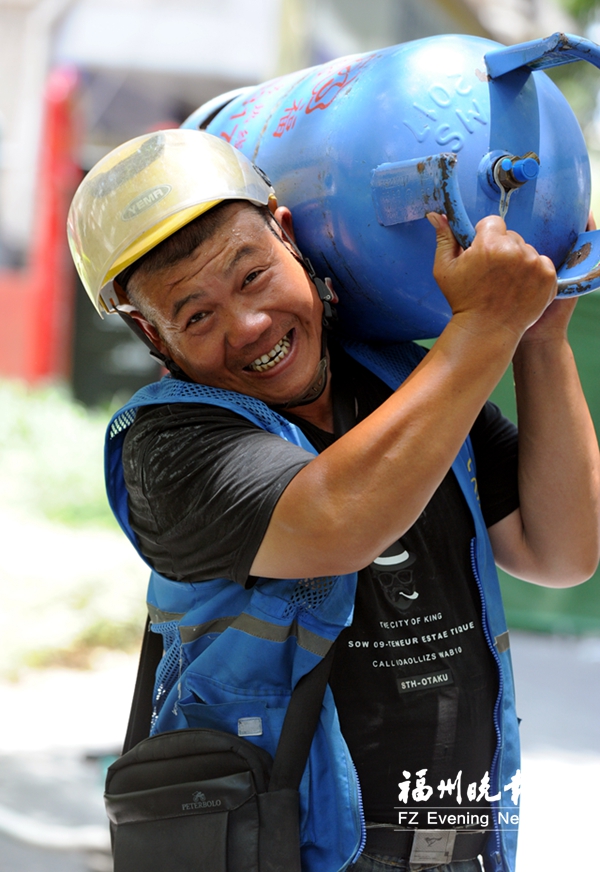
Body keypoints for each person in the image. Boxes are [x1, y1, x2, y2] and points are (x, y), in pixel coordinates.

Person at [68, 129, 599, 872]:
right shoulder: (166, 446)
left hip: (469, 848)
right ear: (150, 336)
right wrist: (483, 325)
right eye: (196, 316)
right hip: (294, 854)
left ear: (287, 236)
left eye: (252, 277)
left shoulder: (401, 381)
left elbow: (560, 550)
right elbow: (337, 520)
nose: (247, 328)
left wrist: (540, 339)